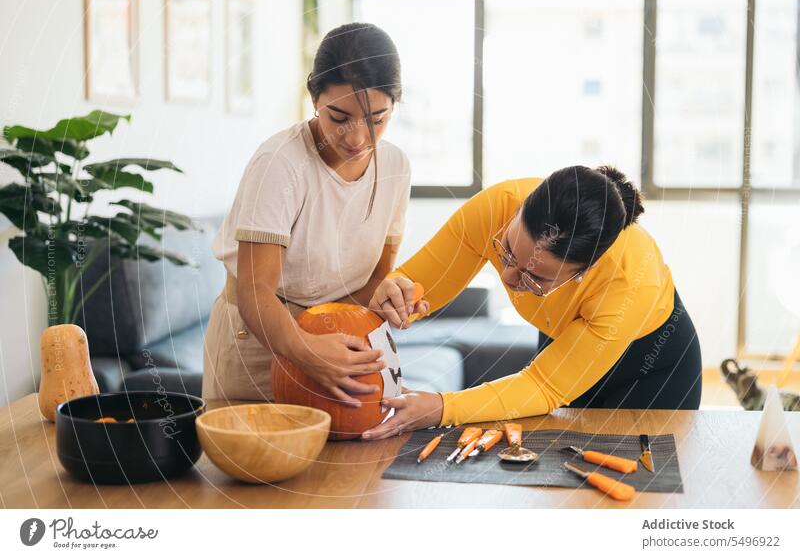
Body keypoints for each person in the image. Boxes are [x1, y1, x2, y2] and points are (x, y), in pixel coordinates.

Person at [361, 166, 702, 439]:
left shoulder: (629, 283)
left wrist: (439, 407)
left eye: (534, 279)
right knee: (552, 476)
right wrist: (393, 298)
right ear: (519, 210)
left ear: (583, 273)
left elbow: (544, 385)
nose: (508, 278)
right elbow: (418, 286)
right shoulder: (499, 204)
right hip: (565, 341)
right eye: (507, 251)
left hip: (650, 368)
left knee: (637, 491)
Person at [203, 23, 411, 405]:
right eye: (339, 117)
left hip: (338, 338)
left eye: (376, 119)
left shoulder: (395, 165)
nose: (357, 139)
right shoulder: (279, 163)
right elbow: (255, 291)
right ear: (313, 95)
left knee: (352, 460)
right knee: (257, 461)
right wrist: (306, 349)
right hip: (258, 339)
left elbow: (376, 278)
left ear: (394, 105)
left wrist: (389, 297)